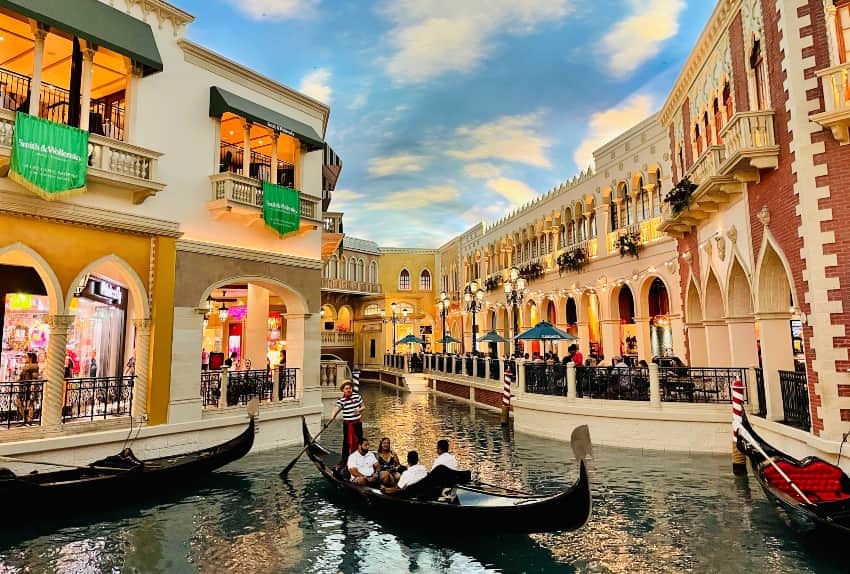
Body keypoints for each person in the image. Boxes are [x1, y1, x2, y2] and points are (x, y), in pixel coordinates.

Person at [330, 380, 365, 464]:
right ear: (343, 390)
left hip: (357, 423)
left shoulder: (357, 396)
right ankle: (344, 459)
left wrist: (359, 410)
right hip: (347, 424)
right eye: (346, 388)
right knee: (346, 442)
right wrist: (332, 416)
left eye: (350, 388)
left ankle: (361, 457)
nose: (349, 390)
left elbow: (363, 406)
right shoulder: (341, 400)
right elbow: (337, 408)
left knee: (360, 440)